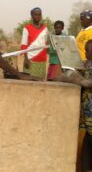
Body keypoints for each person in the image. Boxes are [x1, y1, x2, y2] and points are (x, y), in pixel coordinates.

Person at [57, 40, 92, 172]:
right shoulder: (84, 65)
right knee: (84, 157)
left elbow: (87, 83)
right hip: (85, 121)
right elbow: (68, 75)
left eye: (87, 50)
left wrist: (74, 77)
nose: (86, 53)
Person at [21, 7, 48, 80]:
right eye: (36, 14)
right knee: (29, 83)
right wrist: (26, 59)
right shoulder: (26, 28)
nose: (38, 16)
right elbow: (24, 45)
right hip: (30, 60)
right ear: (32, 16)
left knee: (41, 83)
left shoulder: (45, 28)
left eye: (40, 14)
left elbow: (46, 43)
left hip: (42, 60)